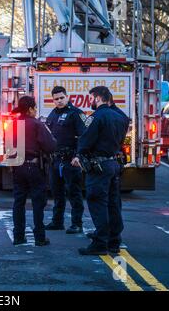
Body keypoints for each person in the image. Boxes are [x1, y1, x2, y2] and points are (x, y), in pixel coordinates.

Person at [71, 86, 128, 255]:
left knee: (97, 203)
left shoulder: (95, 117)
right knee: (113, 203)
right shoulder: (120, 117)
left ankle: (100, 243)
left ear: (97, 98)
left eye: (91, 98)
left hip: (98, 167)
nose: (90, 102)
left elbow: (85, 140)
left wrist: (79, 155)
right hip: (113, 164)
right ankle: (114, 240)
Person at [11, 96, 56, 246]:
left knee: (19, 202)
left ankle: (18, 236)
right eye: (35, 108)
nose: (36, 110)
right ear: (30, 109)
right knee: (38, 202)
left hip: (18, 166)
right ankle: (40, 237)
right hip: (34, 166)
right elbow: (50, 146)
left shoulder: (13, 124)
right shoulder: (37, 124)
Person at [45, 86, 86, 234]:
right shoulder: (52, 114)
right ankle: (57, 222)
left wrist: (78, 155)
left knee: (74, 193)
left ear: (67, 97)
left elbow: (84, 136)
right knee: (57, 192)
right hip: (56, 160)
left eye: (62, 98)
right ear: (53, 100)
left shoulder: (76, 114)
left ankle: (77, 223)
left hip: (71, 159)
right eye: (56, 99)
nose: (59, 101)